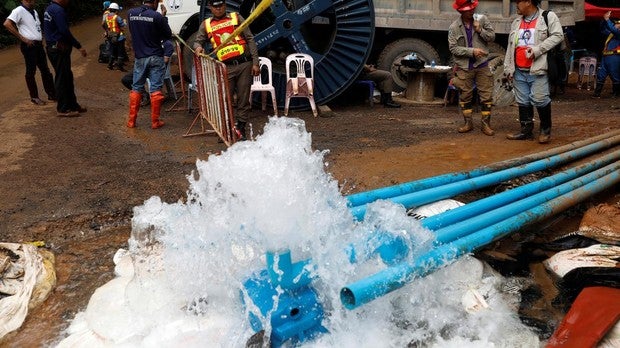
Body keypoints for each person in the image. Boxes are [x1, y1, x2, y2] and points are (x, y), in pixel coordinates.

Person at [194, 0, 260, 140]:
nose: (218, 9)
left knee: (243, 99)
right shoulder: (206, 24)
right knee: (225, 100)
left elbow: (250, 39)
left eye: (221, 6)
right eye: (215, 7)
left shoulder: (236, 18)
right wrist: (198, 47)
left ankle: (241, 129)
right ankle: (227, 130)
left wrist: (255, 63)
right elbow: (198, 41)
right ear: (210, 8)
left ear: (224, 6)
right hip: (225, 68)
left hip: (244, 65)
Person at [503, 0, 563, 144]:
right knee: (522, 100)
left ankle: (545, 130)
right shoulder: (516, 22)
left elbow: (557, 36)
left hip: (538, 69)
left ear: (528, 2)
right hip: (519, 70)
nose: (515, 4)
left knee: (540, 99)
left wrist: (537, 50)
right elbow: (511, 47)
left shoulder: (548, 17)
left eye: (518, 1)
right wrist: (508, 68)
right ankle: (526, 131)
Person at [447, 0, 496, 136]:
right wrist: (471, 51)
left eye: (472, 8)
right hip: (464, 66)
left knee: (486, 96)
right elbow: (453, 48)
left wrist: (480, 30)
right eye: (468, 10)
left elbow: (492, 37)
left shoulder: (482, 20)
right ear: (460, 11)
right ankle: (467, 123)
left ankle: (486, 124)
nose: (472, 11)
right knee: (465, 95)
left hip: (482, 65)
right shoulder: (454, 27)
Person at [126, 0, 173, 129]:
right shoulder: (157, 16)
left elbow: (133, 32)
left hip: (140, 58)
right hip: (156, 57)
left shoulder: (130, 13)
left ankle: (131, 122)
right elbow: (168, 35)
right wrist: (163, 17)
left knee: (136, 87)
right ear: (154, 2)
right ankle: (155, 122)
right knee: (156, 89)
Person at [4, 0, 56, 106]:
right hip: (29, 46)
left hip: (38, 44)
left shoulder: (34, 11)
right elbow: (7, 24)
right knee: (31, 71)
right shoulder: (18, 10)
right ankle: (34, 97)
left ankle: (52, 94)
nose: (33, 1)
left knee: (45, 70)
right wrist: (23, 38)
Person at [43, 0, 88, 117]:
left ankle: (72, 105)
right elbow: (64, 31)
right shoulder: (58, 10)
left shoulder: (50, 8)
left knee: (67, 76)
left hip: (54, 47)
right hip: (58, 49)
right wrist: (78, 46)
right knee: (62, 77)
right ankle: (62, 109)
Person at [593, 11, 620, 98]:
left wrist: (607, 19)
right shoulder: (611, 34)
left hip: (614, 57)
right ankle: (597, 93)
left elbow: (612, 29)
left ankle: (616, 93)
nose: (616, 25)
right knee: (601, 74)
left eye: (618, 24)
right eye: (615, 23)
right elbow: (602, 29)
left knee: (615, 75)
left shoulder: (618, 33)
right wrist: (604, 20)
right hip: (605, 57)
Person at [102, 3, 127, 71]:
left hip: (111, 37)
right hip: (119, 37)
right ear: (116, 10)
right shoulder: (117, 17)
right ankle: (119, 67)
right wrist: (124, 21)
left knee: (112, 51)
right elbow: (123, 25)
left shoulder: (106, 17)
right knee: (120, 52)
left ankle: (109, 66)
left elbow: (103, 25)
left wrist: (107, 32)